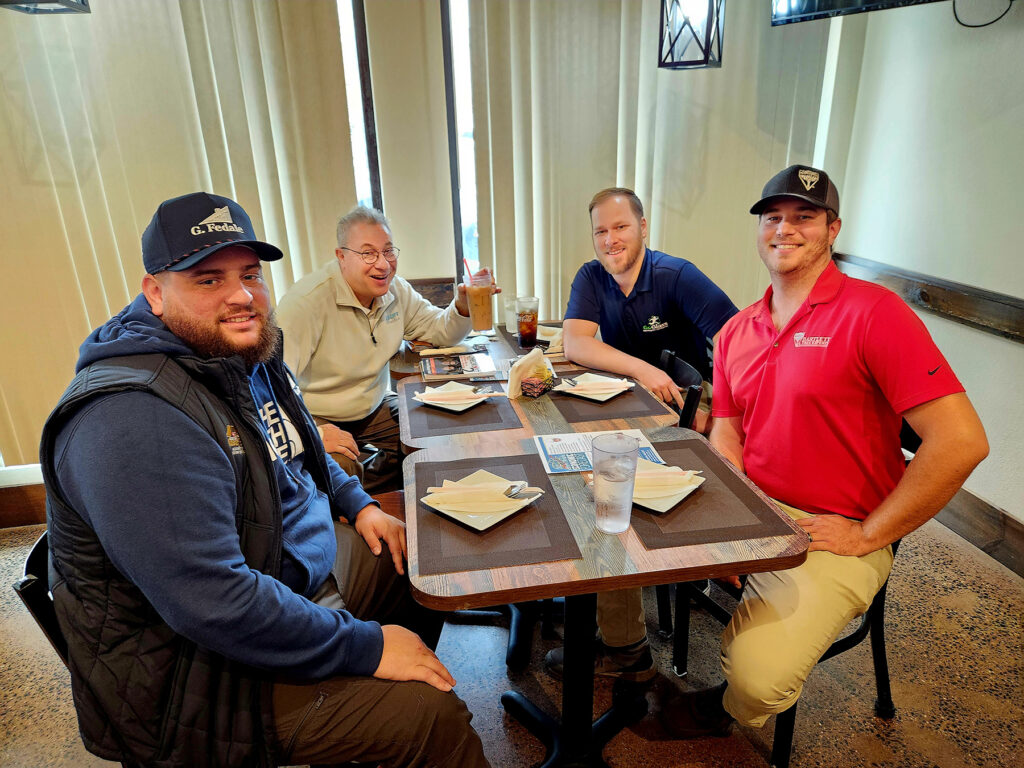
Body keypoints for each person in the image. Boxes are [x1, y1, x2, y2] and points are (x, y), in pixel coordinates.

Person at [40, 192, 490, 768]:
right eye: (207, 279)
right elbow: (214, 604)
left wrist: (359, 504)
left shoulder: (239, 350)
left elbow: (296, 449)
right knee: (430, 719)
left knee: (410, 552)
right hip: (202, 673)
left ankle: (370, 713)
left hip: (285, 573)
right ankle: (386, 711)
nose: (241, 295)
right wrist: (365, 646)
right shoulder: (134, 420)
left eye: (250, 273)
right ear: (155, 292)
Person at [662, 165, 989, 738]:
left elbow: (962, 443)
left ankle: (730, 701)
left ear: (833, 229)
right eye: (773, 217)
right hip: (756, 508)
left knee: (759, 680)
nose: (785, 228)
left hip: (834, 529)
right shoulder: (739, 330)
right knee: (627, 545)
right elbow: (730, 429)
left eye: (804, 216)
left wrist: (868, 534)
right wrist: (736, 508)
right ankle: (637, 653)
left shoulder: (875, 313)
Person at [547, 187, 739, 682]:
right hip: (637, 412)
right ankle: (588, 608)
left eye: (621, 227)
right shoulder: (593, 275)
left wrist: (722, 412)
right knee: (565, 470)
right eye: (601, 231)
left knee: (600, 494)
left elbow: (741, 343)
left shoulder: (677, 275)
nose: (610, 240)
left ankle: (624, 647)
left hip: (684, 425)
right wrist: (645, 371)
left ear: (643, 227)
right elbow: (576, 342)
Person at [277, 206, 498, 491]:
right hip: (317, 413)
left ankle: (366, 495)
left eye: (388, 251)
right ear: (341, 256)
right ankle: (348, 505)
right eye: (368, 253)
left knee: (431, 434)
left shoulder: (397, 291)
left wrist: (463, 306)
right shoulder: (305, 303)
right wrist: (313, 434)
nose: (382, 264)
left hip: (373, 405)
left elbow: (441, 332)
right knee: (340, 466)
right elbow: (270, 386)